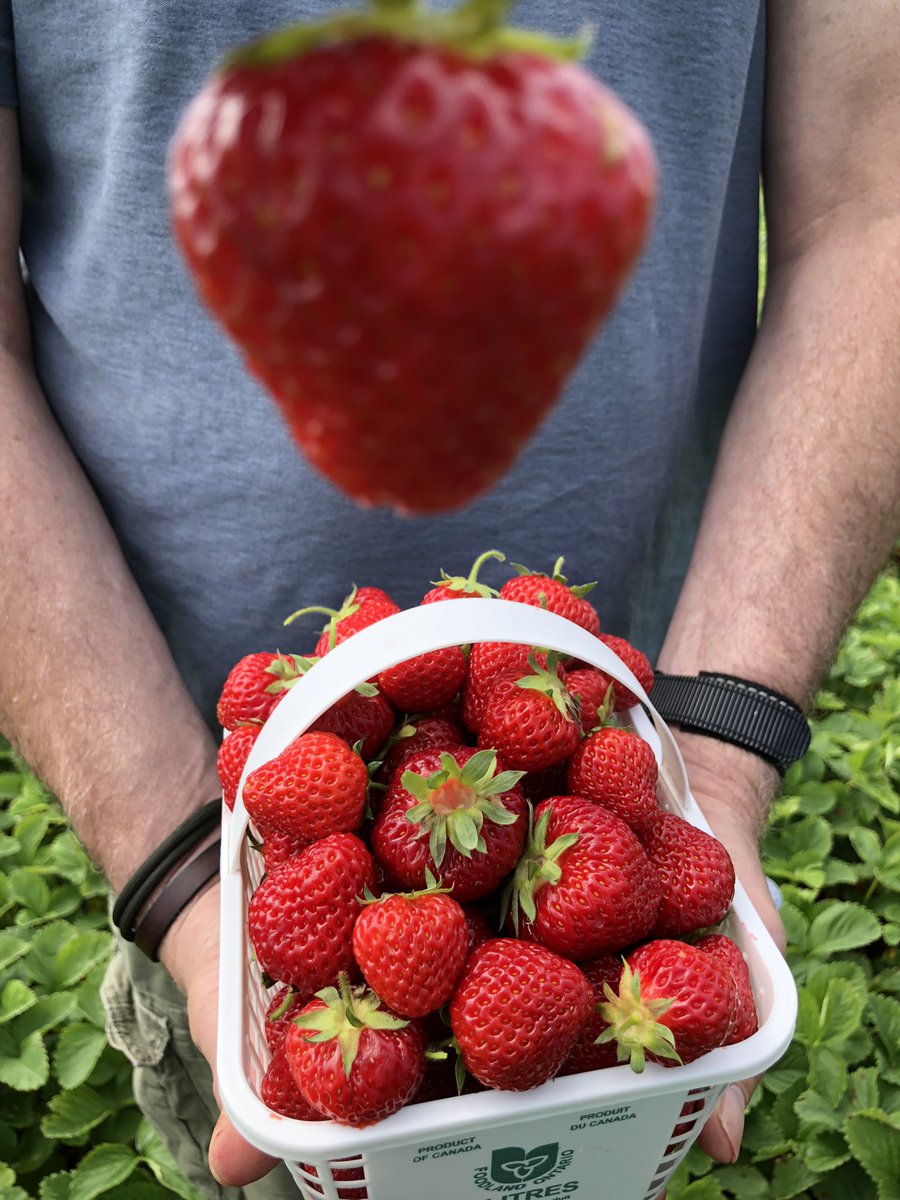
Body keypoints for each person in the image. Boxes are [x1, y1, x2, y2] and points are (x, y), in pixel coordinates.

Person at [1, 0, 898, 1196]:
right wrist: (177, 871)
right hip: (210, 832)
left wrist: (717, 753)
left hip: (642, 728)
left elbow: (875, 204)